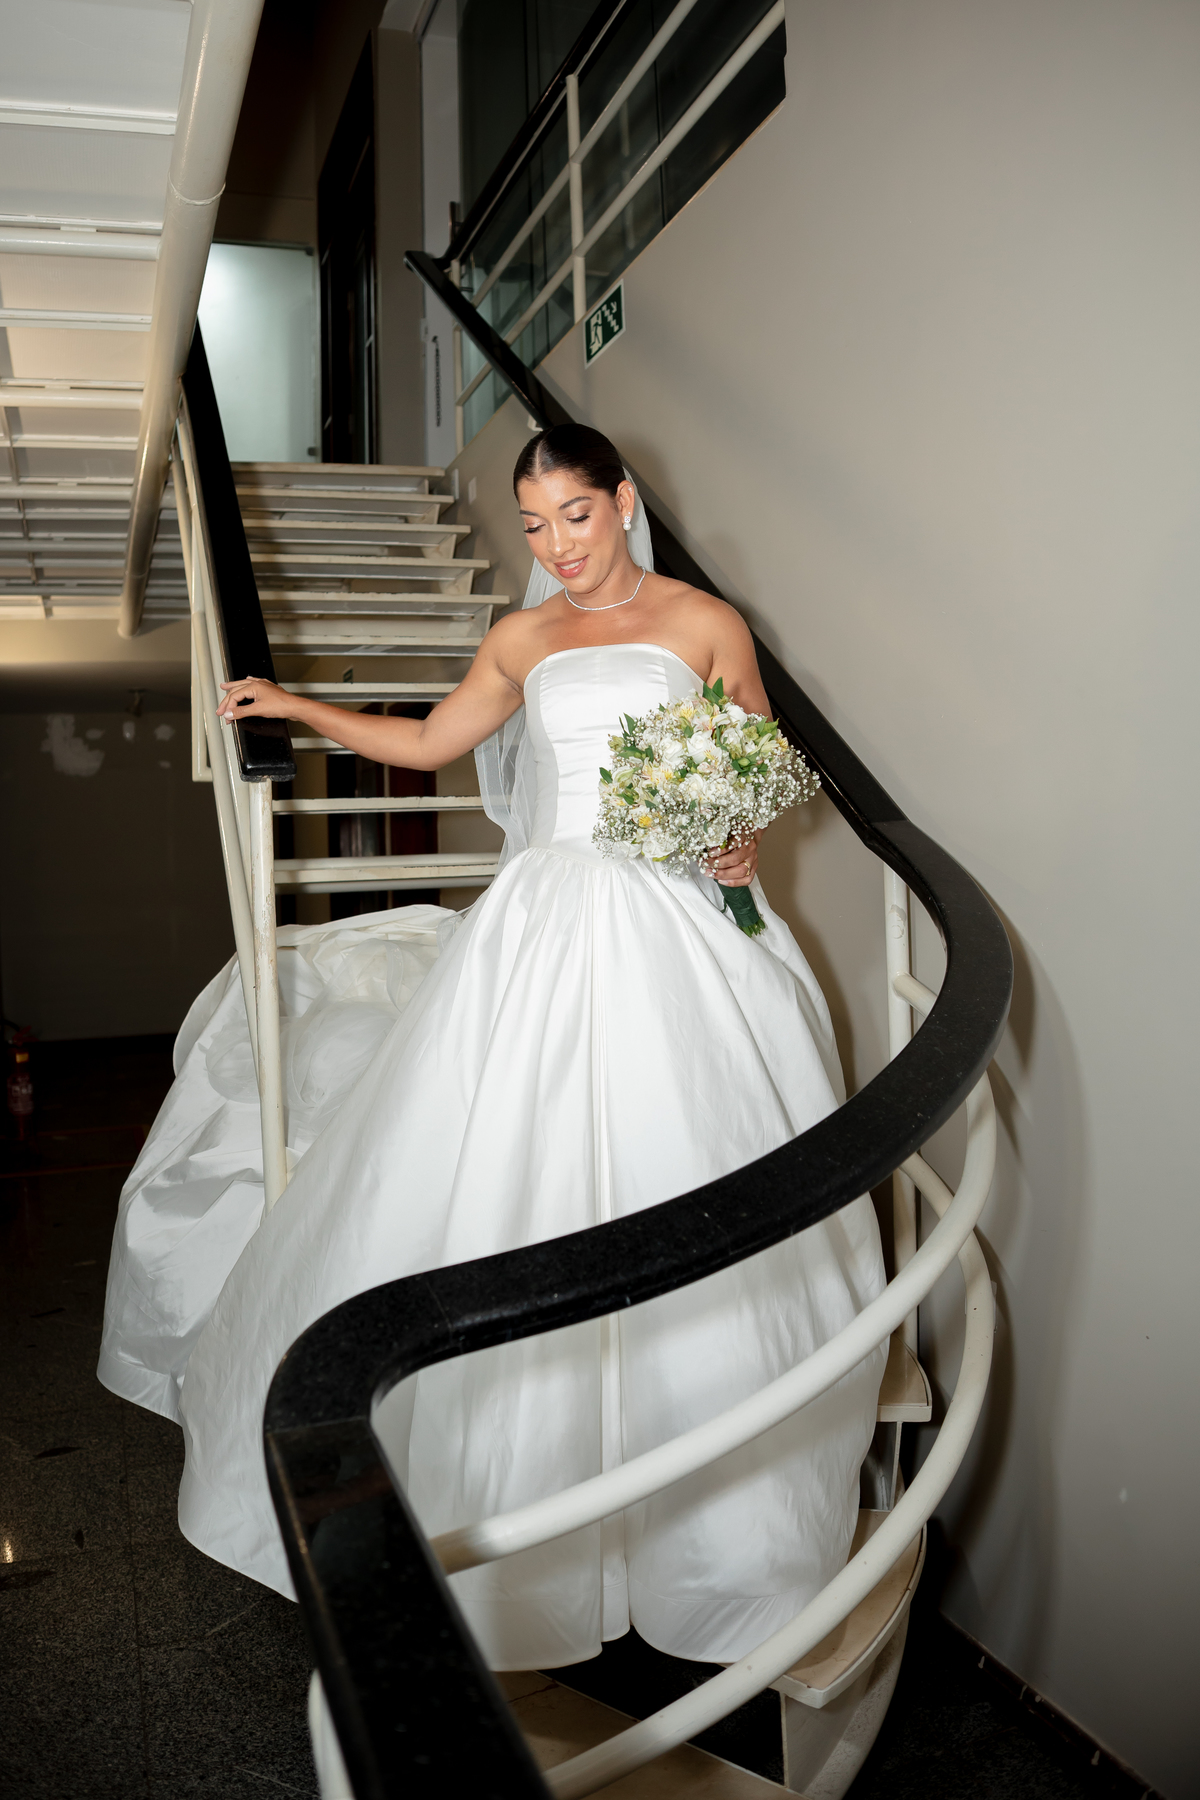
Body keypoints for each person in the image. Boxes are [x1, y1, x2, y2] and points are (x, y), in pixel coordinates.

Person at [99, 424, 885, 1672]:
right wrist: (295, 706)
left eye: (575, 514)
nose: (556, 546)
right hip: (546, 918)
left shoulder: (704, 622)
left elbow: (753, 757)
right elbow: (429, 744)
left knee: (687, 1160)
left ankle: (716, 1531)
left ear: (621, 501)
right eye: (533, 526)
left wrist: (738, 838)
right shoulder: (522, 638)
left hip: (675, 921)